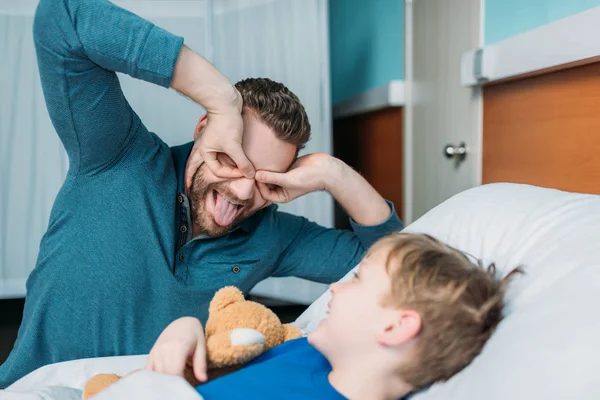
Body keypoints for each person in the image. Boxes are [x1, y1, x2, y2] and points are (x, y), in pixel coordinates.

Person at [0, 0, 403, 388]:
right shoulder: (116, 156)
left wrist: (335, 175)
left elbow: (396, 268)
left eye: (266, 179)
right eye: (233, 159)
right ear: (203, 130)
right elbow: (63, 16)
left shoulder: (274, 236)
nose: (244, 191)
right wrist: (221, 99)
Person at [146, 233, 520, 400]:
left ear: (394, 326)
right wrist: (185, 327)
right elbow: (220, 351)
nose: (335, 288)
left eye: (357, 278)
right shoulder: (306, 349)